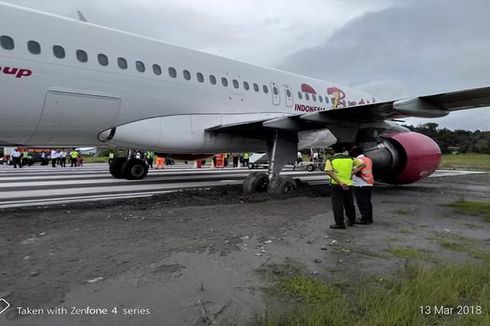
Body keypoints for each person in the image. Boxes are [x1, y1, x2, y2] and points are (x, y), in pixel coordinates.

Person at [324, 143, 363, 229]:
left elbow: (329, 171)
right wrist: (353, 172)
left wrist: (340, 182)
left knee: (337, 205)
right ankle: (351, 220)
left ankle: (339, 223)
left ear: (333, 150)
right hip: (349, 184)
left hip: (336, 185)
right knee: (349, 203)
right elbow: (363, 165)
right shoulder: (351, 158)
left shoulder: (330, 160)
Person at [350, 146, 374, 224]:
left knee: (361, 202)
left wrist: (352, 172)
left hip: (360, 183)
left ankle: (364, 219)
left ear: (355, 153)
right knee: (367, 202)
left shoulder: (358, 160)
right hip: (369, 183)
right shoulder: (368, 159)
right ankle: (369, 218)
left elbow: (357, 171)